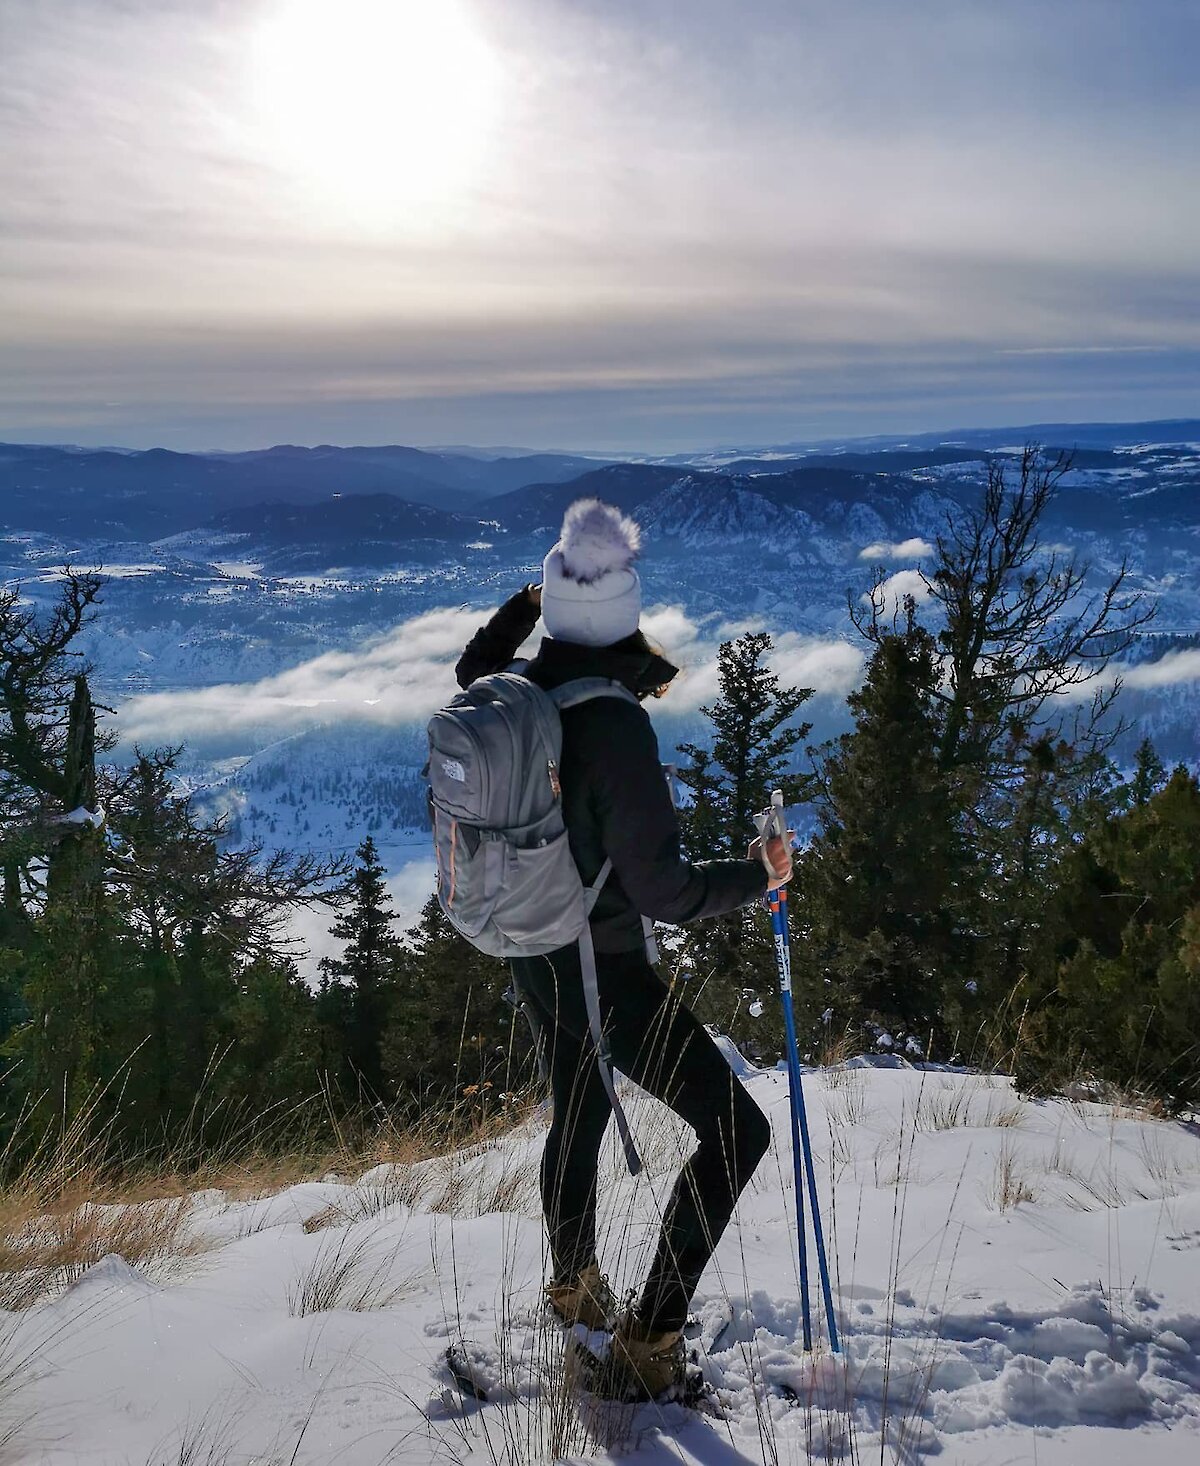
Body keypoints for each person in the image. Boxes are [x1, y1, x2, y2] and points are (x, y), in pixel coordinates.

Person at [454, 498, 792, 1400]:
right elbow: (665, 891)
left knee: (579, 1106)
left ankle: (574, 1289)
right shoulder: (612, 727)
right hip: (607, 973)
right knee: (735, 1131)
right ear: (626, 616)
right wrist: (760, 875)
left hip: (534, 951)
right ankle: (650, 1341)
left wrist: (527, 604)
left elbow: (469, 663)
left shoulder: (516, 687)